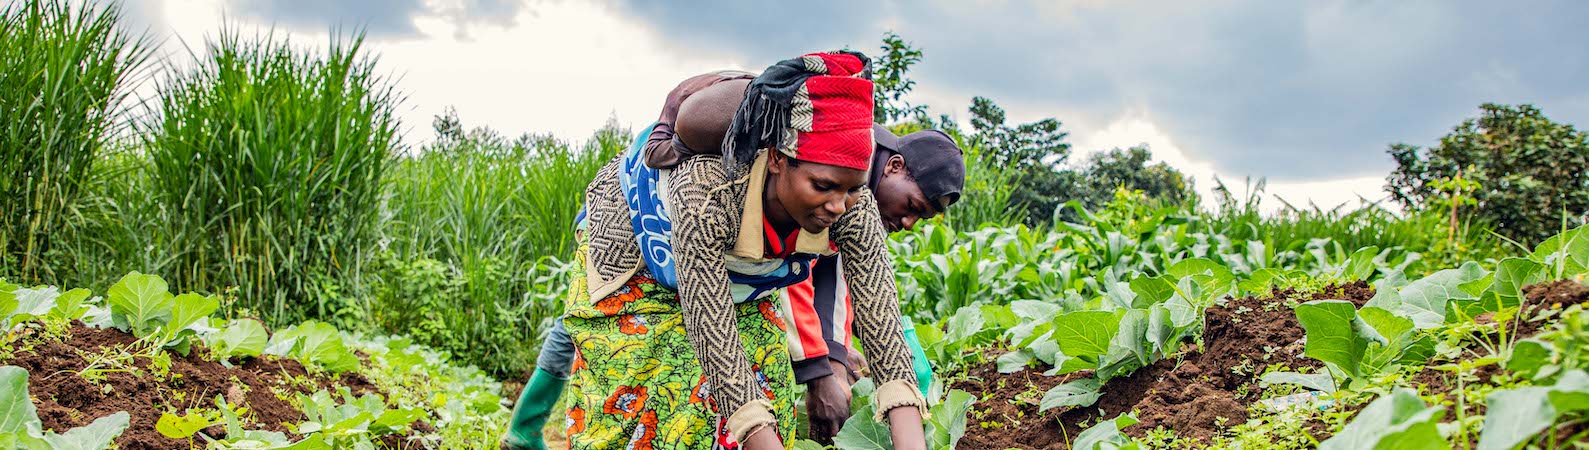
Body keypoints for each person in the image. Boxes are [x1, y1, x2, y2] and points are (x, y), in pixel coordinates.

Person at [503, 72, 967, 449]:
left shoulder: (853, 204)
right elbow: (712, 330)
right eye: (823, 187)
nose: (837, 206)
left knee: (771, 387)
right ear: (778, 161)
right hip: (638, 257)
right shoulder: (709, 192)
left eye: (849, 190)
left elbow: (882, 322)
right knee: (675, 391)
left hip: (737, 274)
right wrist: (759, 424)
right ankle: (527, 430)